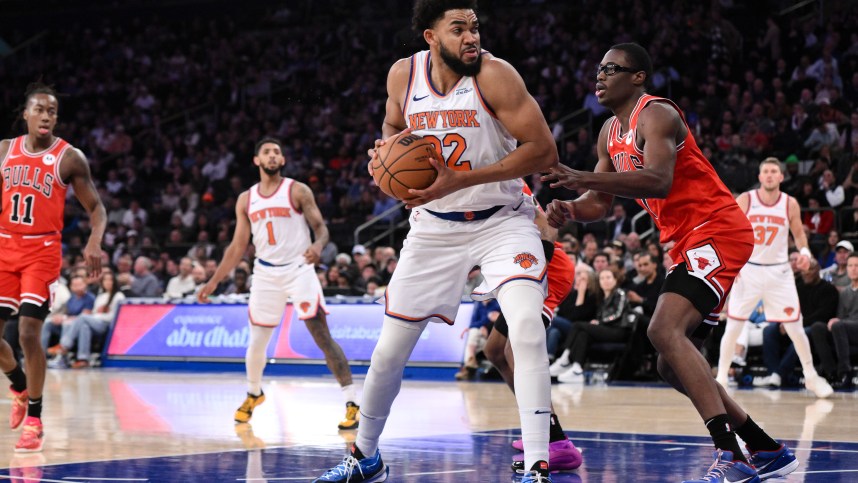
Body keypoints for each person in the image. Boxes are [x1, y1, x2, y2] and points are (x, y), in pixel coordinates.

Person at [315, 1, 559, 481]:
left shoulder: (496, 75)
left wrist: (460, 180)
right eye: (459, 29)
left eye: (475, 27)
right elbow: (391, 127)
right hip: (433, 227)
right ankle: (365, 457)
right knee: (388, 351)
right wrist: (386, 158)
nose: (472, 37)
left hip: (502, 220)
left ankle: (536, 466)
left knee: (527, 328)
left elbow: (543, 150)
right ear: (430, 36)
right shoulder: (402, 77)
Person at [542, 44, 798, 482]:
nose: (600, 76)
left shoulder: (657, 114)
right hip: (686, 242)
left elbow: (658, 180)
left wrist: (583, 176)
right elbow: (600, 203)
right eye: (598, 70)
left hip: (716, 228)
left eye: (611, 69)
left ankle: (730, 455)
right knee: (668, 362)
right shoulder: (608, 132)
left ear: (638, 77)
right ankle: (764, 447)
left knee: (663, 329)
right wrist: (571, 207)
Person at [197, 138, 359, 431]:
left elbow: (321, 229)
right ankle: (254, 393)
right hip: (265, 273)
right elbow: (237, 247)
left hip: (299, 268)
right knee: (257, 341)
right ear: (257, 160)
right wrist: (213, 281)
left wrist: (318, 246)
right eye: (267, 152)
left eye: (277, 153)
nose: (272, 156)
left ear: (282, 160)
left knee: (321, 335)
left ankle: (352, 402)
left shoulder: (297, 190)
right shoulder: (246, 199)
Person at [0, 83, 106, 453]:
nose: (47, 115)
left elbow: (97, 209)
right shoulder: (4, 150)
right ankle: (18, 384)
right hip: (4, 246)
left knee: (29, 331)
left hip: (42, 250)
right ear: (26, 114)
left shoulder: (69, 157)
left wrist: (94, 241)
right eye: (40, 109)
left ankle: (35, 417)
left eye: (53, 111)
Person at [481, 189, 582, 474]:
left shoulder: (508, 178)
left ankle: (557, 442)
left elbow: (547, 229)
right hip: (519, 265)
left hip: (547, 266)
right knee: (494, 351)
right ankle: (535, 424)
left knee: (516, 347)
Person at [717, 158, 833, 398]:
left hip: (779, 272)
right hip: (748, 269)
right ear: (760, 177)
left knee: (795, 327)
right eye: (765, 171)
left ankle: (811, 375)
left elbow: (799, 233)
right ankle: (721, 378)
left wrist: (804, 253)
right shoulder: (746, 200)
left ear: (781, 176)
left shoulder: (789, 203)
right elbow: (729, 231)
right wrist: (731, 263)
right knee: (734, 325)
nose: (769, 175)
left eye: (774, 171)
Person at [551, 269, 631, 383]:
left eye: (608, 277)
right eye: (602, 278)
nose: (605, 281)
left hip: (618, 330)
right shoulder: (602, 297)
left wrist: (600, 322)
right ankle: (577, 369)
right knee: (583, 334)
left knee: (578, 325)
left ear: (615, 280)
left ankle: (565, 359)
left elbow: (617, 314)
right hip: (606, 329)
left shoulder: (620, 293)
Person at [46, 270, 125, 368]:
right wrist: (95, 314)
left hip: (106, 324)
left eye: (110, 280)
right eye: (105, 280)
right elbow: (94, 312)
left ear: (115, 282)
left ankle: (64, 345)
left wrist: (97, 315)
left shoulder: (119, 296)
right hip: (95, 321)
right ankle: (83, 359)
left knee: (82, 317)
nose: (108, 282)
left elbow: (114, 316)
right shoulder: (101, 296)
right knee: (84, 326)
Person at [810, 252, 858, 390]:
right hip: (844, 329)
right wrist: (836, 321)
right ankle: (830, 372)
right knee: (818, 327)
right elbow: (841, 316)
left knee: (837, 325)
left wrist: (838, 322)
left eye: (856, 265)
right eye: (850, 265)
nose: (853, 269)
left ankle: (844, 372)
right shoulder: (845, 292)